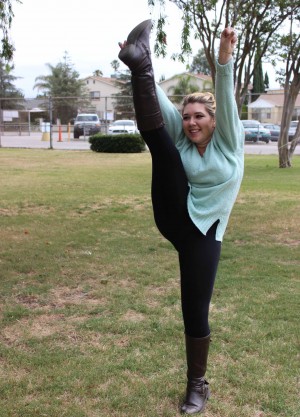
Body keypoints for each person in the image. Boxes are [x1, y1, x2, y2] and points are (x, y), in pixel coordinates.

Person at [118, 20, 244, 415]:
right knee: (164, 147)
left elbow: (225, 96)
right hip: (174, 213)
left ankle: (196, 385)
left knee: (195, 308)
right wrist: (141, 72)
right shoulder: (182, 142)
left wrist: (224, 59)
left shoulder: (229, 144)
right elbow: (158, 109)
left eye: (198, 117)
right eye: (187, 116)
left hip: (203, 235)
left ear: (214, 120)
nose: (190, 122)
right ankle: (142, 61)